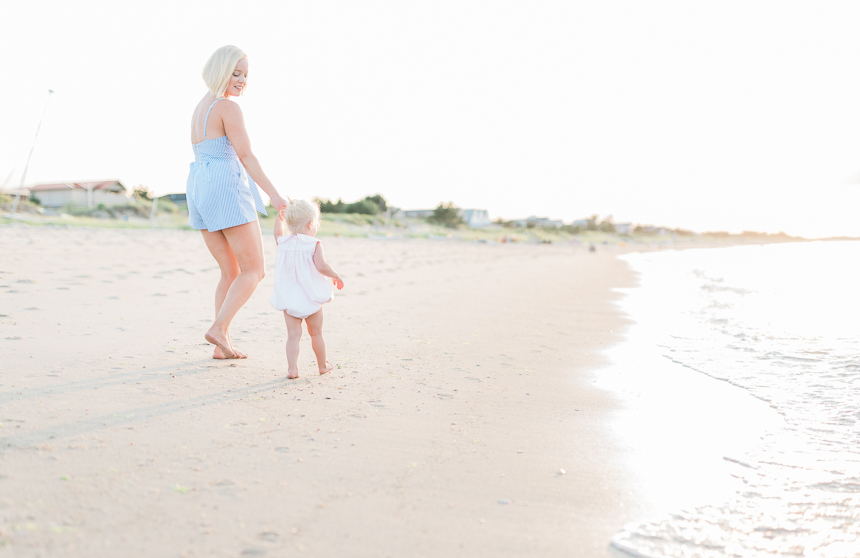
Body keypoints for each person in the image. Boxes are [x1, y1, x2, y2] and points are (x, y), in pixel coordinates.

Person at [187, 45, 288, 359]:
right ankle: (219, 329)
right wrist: (273, 194)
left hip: (199, 187)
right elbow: (245, 156)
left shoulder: (201, 107)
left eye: (246, 74)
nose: (243, 80)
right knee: (254, 270)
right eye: (236, 73)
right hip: (225, 187)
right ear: (221, 71)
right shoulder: (227, 107)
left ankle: (222, 345)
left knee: (229, 272)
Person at [270, 199, 344, 379]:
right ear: (311, 224)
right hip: (311, 299)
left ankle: (292, 369)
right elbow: (322, 266)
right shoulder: (314, 244)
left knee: (293, 336)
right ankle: (322, 365)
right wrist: (335, 275)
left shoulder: (283, 242)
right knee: (316, 333)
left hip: (289, 299)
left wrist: (279, 218)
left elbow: (277, 232)